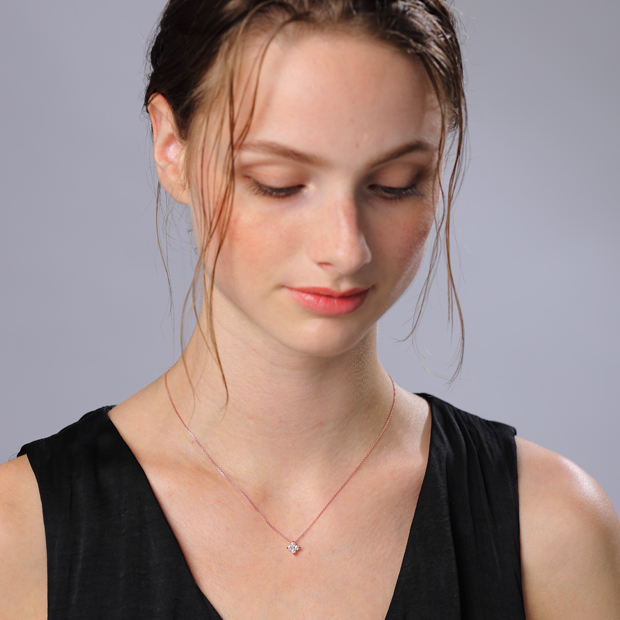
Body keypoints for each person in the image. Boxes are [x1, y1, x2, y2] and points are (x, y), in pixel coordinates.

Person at [1, 0, 619, 618]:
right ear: (171, 146)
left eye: (396, 183)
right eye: (278, 182)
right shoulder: (18, 538)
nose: (346, 249)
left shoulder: (551, 531)